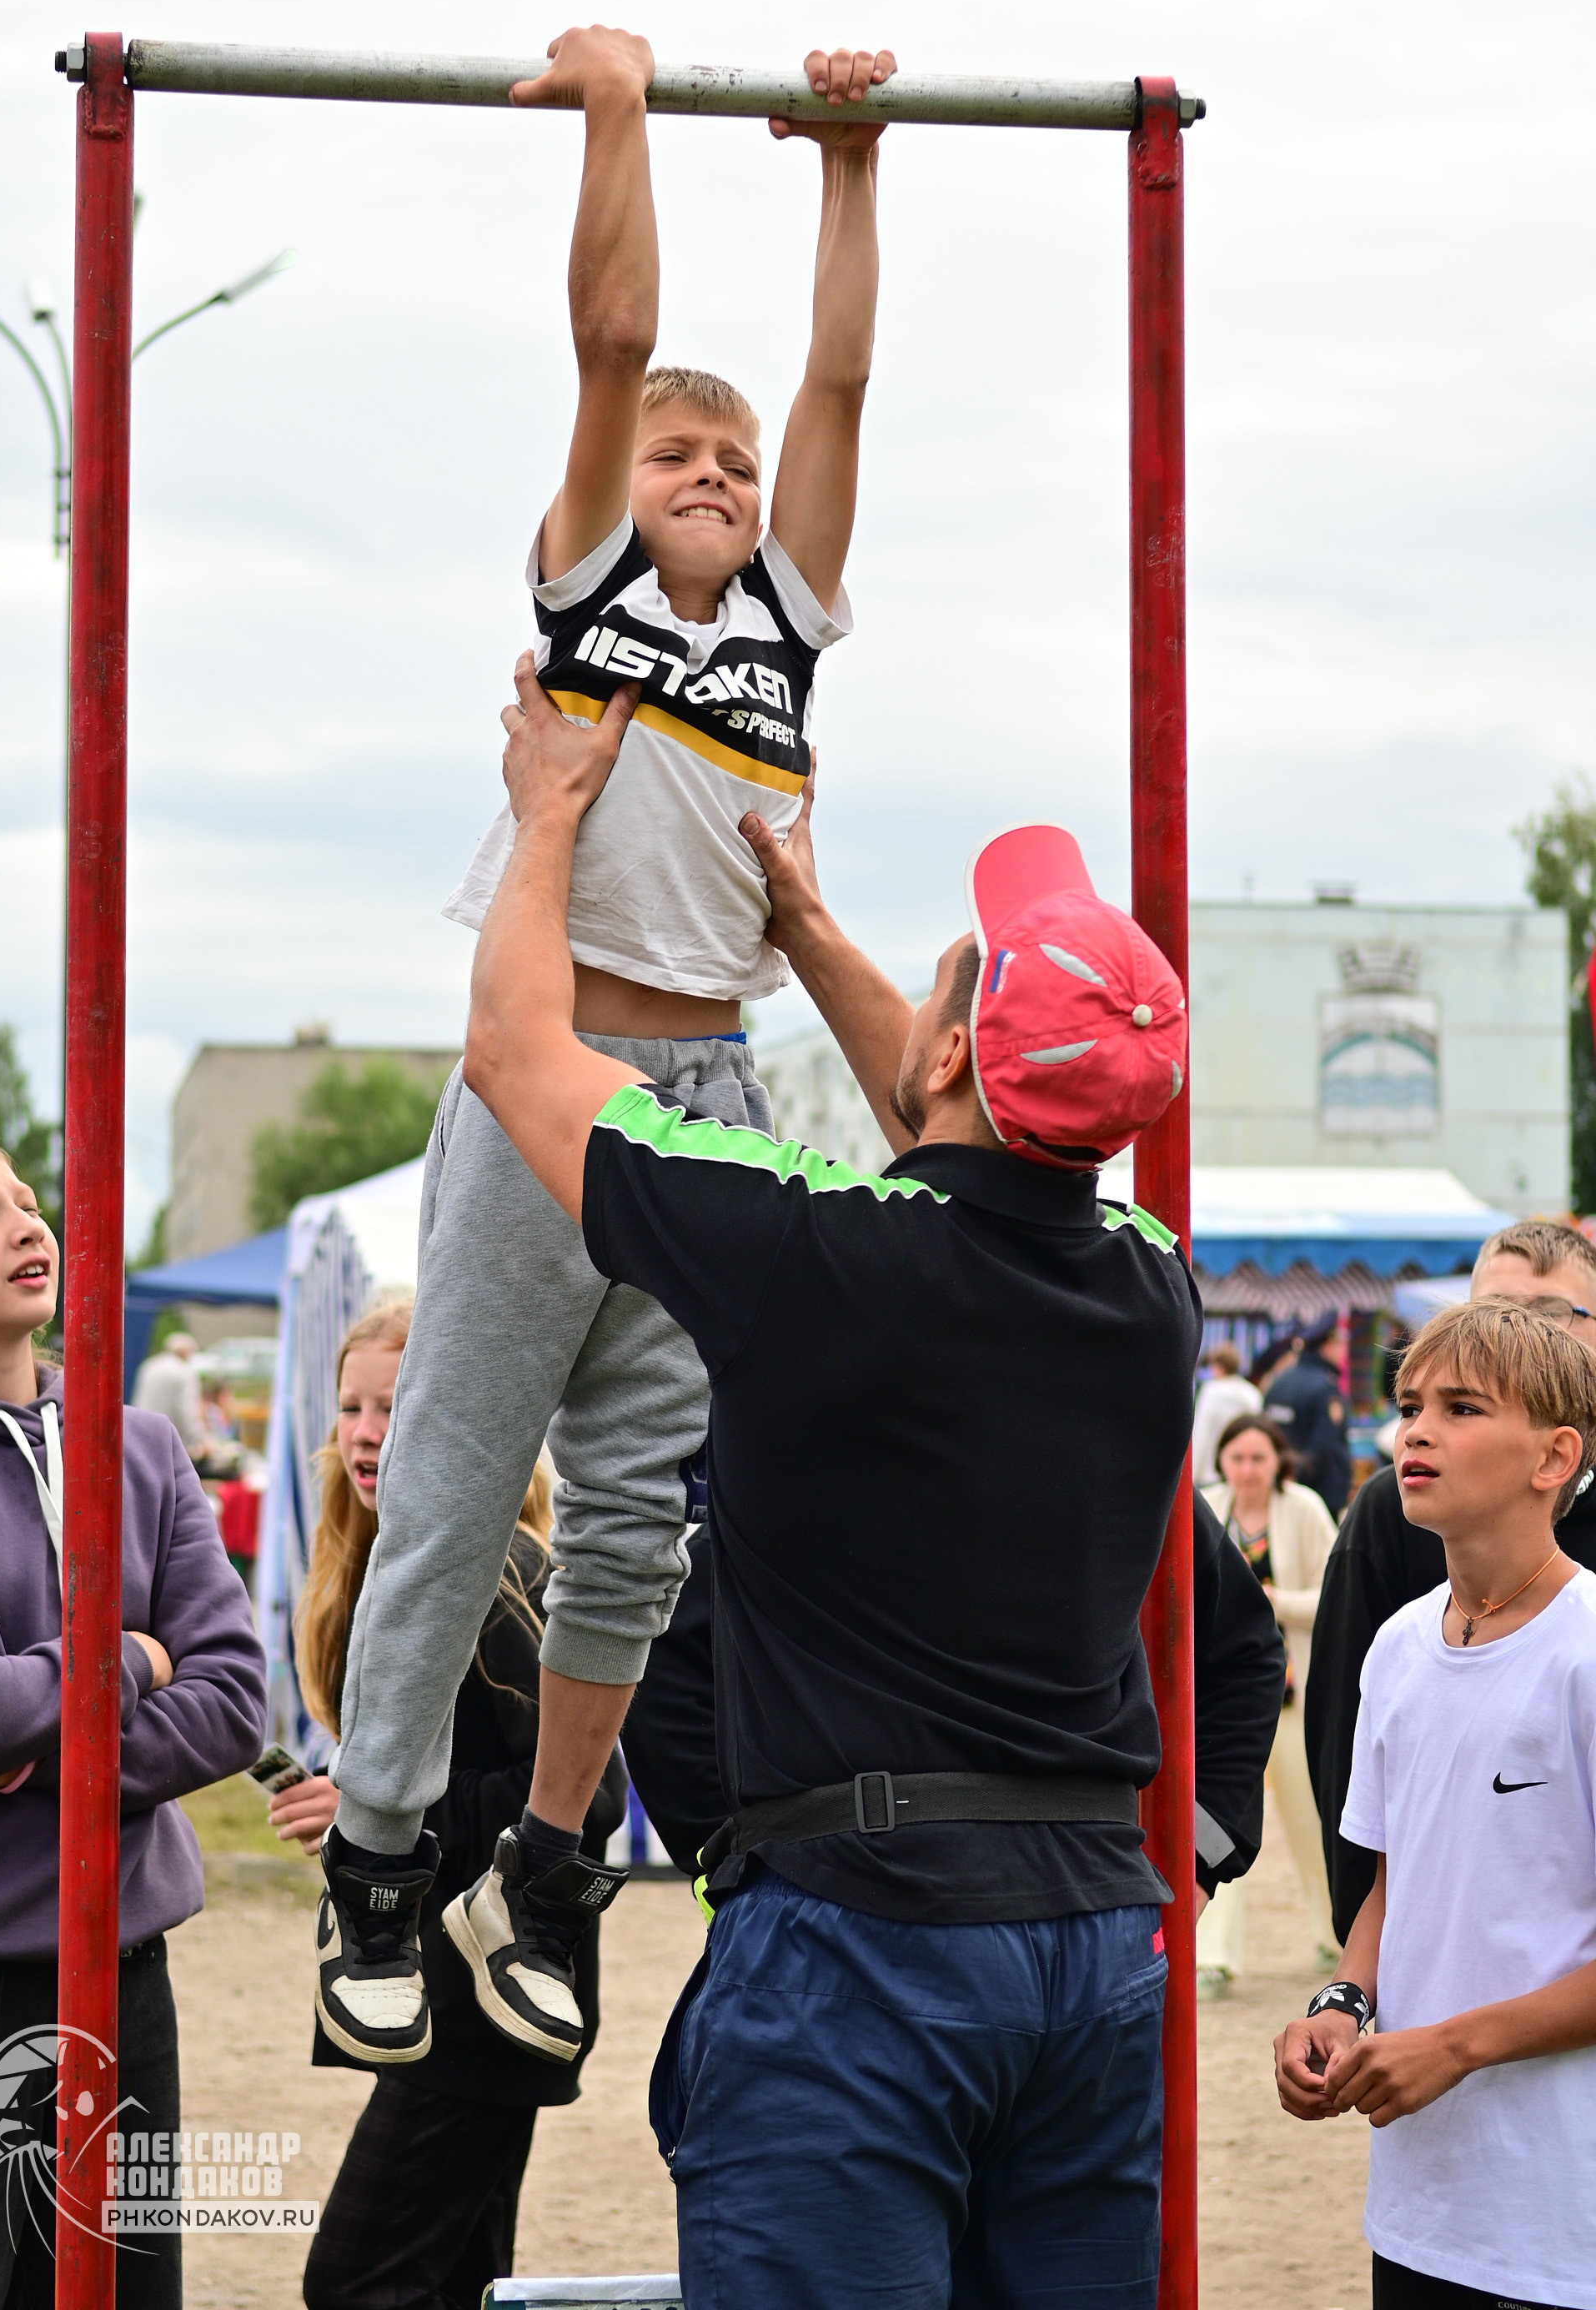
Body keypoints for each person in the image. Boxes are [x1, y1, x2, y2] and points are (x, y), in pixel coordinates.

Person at [410, 654, 1205, 2307]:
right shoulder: (1147, 1277)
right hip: (1082, 1939)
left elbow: (512, 1052)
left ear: (948, 1063)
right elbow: (959, 1119)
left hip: (864, 1939)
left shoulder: (808, 1252)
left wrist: (548, 812)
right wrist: (812, 924)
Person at [319, 23, 900, 2066]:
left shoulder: (785, 621)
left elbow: (832, 377)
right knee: (465, 1485)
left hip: (711, 1086)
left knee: (647, 1516)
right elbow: (611, 334)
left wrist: (849, 163)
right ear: (609, 492)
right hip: (546, 1076)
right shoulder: (579, 598)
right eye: (679, 459)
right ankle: (379, 1849)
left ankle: (548, 1859)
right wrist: (630, 115)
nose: (714, 479)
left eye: (728, 465)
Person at [0, 1131, 267, 2309]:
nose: (29, 1225)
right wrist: (125, 1657)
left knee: (128, 2295)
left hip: (128, 1981)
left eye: (29, 1203)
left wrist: (14, 1761)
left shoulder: (139, 1446)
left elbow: (229, 1704)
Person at [271, 1303, 624, 2310]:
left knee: (354, 2280)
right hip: (439, 1996)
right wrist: (353, 1814)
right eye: (351, 1406)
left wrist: (381, 1813)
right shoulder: (392, 1566)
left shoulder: (499, 1571)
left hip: (488, 1995)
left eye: (398, 1402)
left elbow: (587, 1797)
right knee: (461, 2282)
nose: (369, 1430)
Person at [1274, 1300, 1596, 2310]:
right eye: (1407, 1403)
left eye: (1460, 1407)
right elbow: (1391, 1884)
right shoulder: (1397, 1646)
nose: (1415, 1430)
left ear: (1553, 1457)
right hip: (1419, 2204)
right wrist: (1340, 2004)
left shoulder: (1585, 1655)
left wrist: (1451, 2046)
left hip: (1560, 2219)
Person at [624, 1490, 1288, 1918]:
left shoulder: (1119, 1450)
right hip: (869, 1906)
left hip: (1091, 1907)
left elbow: (1244, 1651)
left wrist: (1194, 1861)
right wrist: (734, 1866)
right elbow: (671, 1656)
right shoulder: (834, 1435)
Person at [1305, 1217, 1596, 1942]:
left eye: (1549, 1315)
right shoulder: (1392, 1524)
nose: (1512, 1335)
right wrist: (1365, 1979)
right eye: (1488, 1312)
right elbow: (1350, 1752)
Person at [1196, 1414, 1338, 1993]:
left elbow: (1334, 1589)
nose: (1248, 1470)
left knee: (1309, 1821)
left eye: (1259, 1458)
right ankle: (1212, 1954)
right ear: (1223, 1462)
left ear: (1279, 1461)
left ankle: (1334, 1936)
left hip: (1292, 1693)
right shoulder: (1206, 1506)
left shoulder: (1303, 1508)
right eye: (1238, 1459)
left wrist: (1275, 1601)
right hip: (1224, 1704)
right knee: (1213, 1822)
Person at [1263, 1313, 1354, 1516]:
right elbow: (1323, 1448)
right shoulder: (1326, 1389)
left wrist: (1285, 1477)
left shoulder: (1278, 1382)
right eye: (1340, 1343)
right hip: (1320, 1496)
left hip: (1282, 1489)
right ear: (1328, 1345)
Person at [1190, 1341, 1262, 1490]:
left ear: (1219, 1366)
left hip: (1210, 1472)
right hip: (1242, 1471)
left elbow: (1202, 1432)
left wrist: (1193, 1471)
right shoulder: (1252, 1393)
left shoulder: (1212, 1391)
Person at [131, 1328, 206, 1463]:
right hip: (166, 1438)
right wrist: (201, 1439)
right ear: (185, 1352)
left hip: (139, 1433)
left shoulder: (149, 1365)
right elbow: (187, 1413)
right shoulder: (184, 1372)